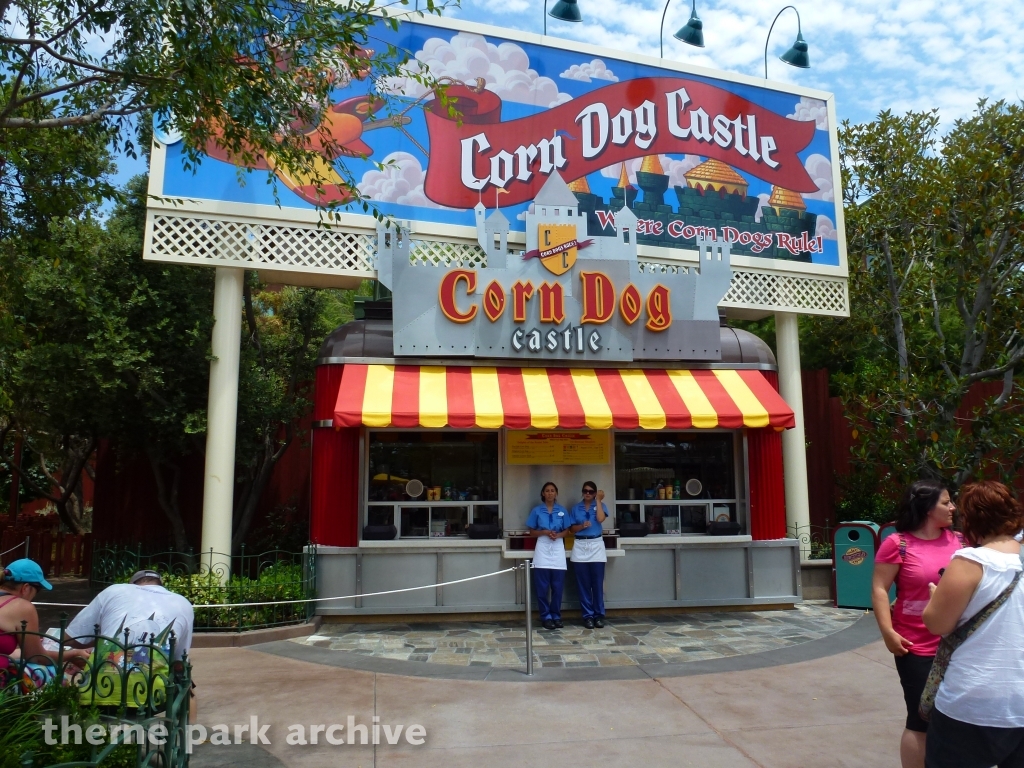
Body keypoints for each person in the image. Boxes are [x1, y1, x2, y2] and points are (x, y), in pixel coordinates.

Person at [922, 480, 1024, 768]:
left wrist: (935, 599)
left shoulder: (972, 561)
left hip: (971, 703)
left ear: (973, 519)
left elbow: (937, 623)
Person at [871, 480, 965, 768]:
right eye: (946, 502)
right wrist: (887, 632)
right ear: (926, 508)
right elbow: (879, 588)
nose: (953, 507)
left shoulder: (962, 541)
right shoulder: (897, 543)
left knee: (958, 718)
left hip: (960, 646)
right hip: (915, 646)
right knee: (920, 719)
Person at [66, 569, 196, 717]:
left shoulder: (114, 590)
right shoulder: (182, 602)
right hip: (151, 697)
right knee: (186, 681)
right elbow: (179, 658)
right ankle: (189, 735)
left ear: (132, 584)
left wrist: (99, 641)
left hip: (97, 692)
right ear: (160, 584)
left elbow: (71, 637)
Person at [1, 559, 89, 686]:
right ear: (26, 588)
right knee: (48, 672)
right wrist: (72, 654)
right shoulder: (22, 606)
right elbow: (36, 657)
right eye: (38, 590)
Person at [526, 482, 571, 630]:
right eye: (547, 491)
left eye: (552, 490)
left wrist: (558, 535)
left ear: (556, 493)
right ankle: (545, 616)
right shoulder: (537, 511)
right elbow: (532, 531)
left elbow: (568, 530)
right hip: (543, 546)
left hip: (557, 546)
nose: (550, 493)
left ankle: (556, 615)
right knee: (542, 586)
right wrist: (544, 532)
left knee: (557, 586)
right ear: (543, 494)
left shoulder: (562, 511)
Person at [570, 481, 608, 629]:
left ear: (595, 493)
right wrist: (581, 526)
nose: (588, 493)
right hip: (580, 544)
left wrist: (598, 500)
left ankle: (599, 615)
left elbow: (600, 519)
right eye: (585, 491)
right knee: (583, 584)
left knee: (597, 583)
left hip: (596, 544)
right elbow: (572, 528)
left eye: (591, 491)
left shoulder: (600, 505)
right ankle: (588, 616)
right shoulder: (575, 508)